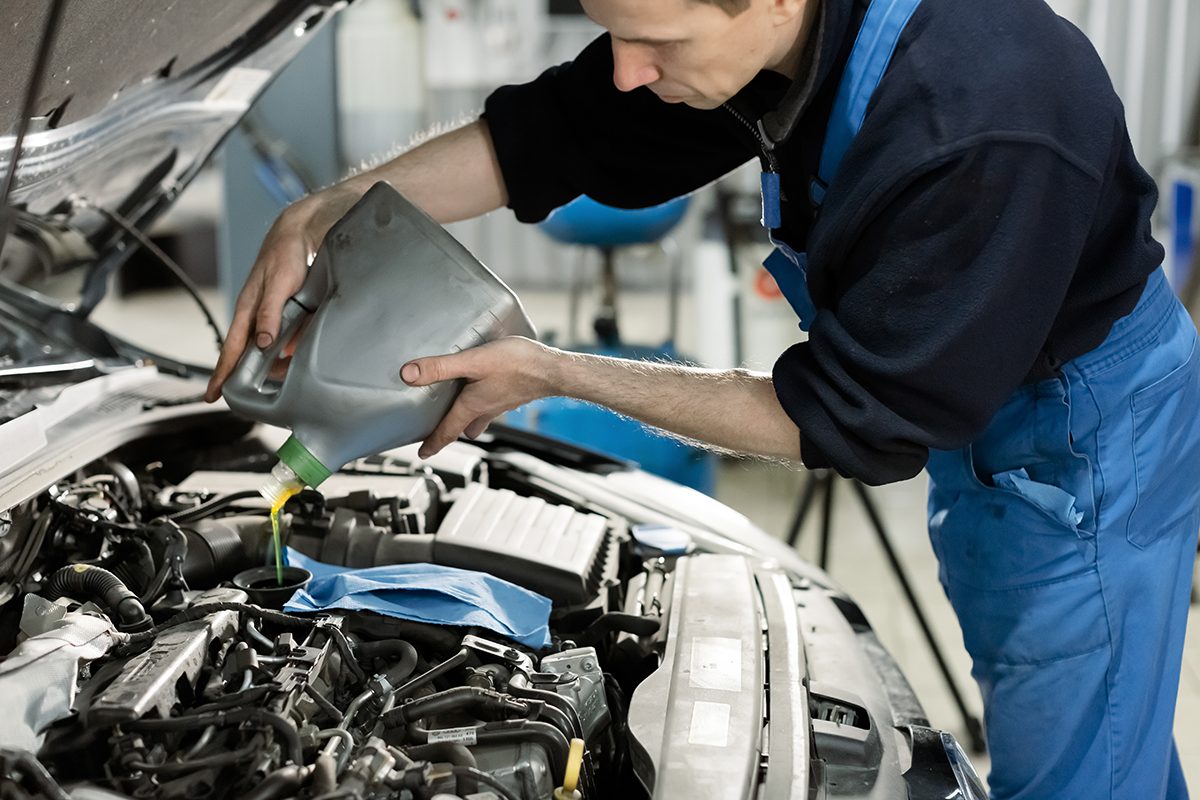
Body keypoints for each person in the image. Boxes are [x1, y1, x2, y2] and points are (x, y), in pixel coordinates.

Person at [206, 0, 1200, 797]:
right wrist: (329, 207)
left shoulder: (982, 120)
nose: (629, 67)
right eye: (615, 32)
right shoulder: (774, 40)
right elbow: (553, 134)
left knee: (1083, 764)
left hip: (1081, 441)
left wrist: (551, 368)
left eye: (655, 42)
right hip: (983, 426)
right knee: (1115, 732)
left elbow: (844, 416)